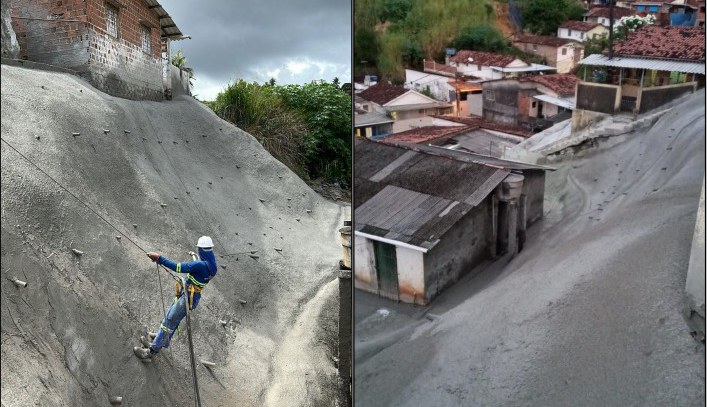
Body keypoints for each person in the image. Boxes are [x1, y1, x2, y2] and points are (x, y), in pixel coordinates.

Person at [134, 236, 218, 359]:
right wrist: (194, 255)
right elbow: (199, 264)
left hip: (187, 297)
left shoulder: (199, 266)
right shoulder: (212, 266)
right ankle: (159, 339)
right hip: (192, 297)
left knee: (169, 321)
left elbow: (177, 267)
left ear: (201, 249)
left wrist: (159, 258)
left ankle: (151, 351)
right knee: (171, 319)